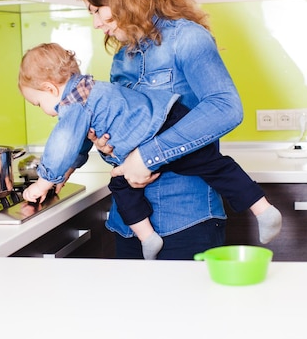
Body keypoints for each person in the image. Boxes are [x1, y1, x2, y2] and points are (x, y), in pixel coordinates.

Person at [73, 0, 282, 260]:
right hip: (128, 225)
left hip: (186, 223)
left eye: (96, 10)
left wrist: (147, 157)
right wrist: (109, 146)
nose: (95, 23)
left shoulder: (188, 39)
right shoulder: (123, 56)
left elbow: (226, 107)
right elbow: (131, 128)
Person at [19, 42, 280, 259]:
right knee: (212, 166)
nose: (42, 108)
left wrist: (44, 182)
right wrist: (68, 170)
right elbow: (83, 138)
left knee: (131, 183)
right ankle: (261, 209)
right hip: (166, 121)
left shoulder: (73, 105)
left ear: (50, 89)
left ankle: (148, 235)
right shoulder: (90, 90)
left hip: (163, 131)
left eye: (38, 103)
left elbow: (62, 141)